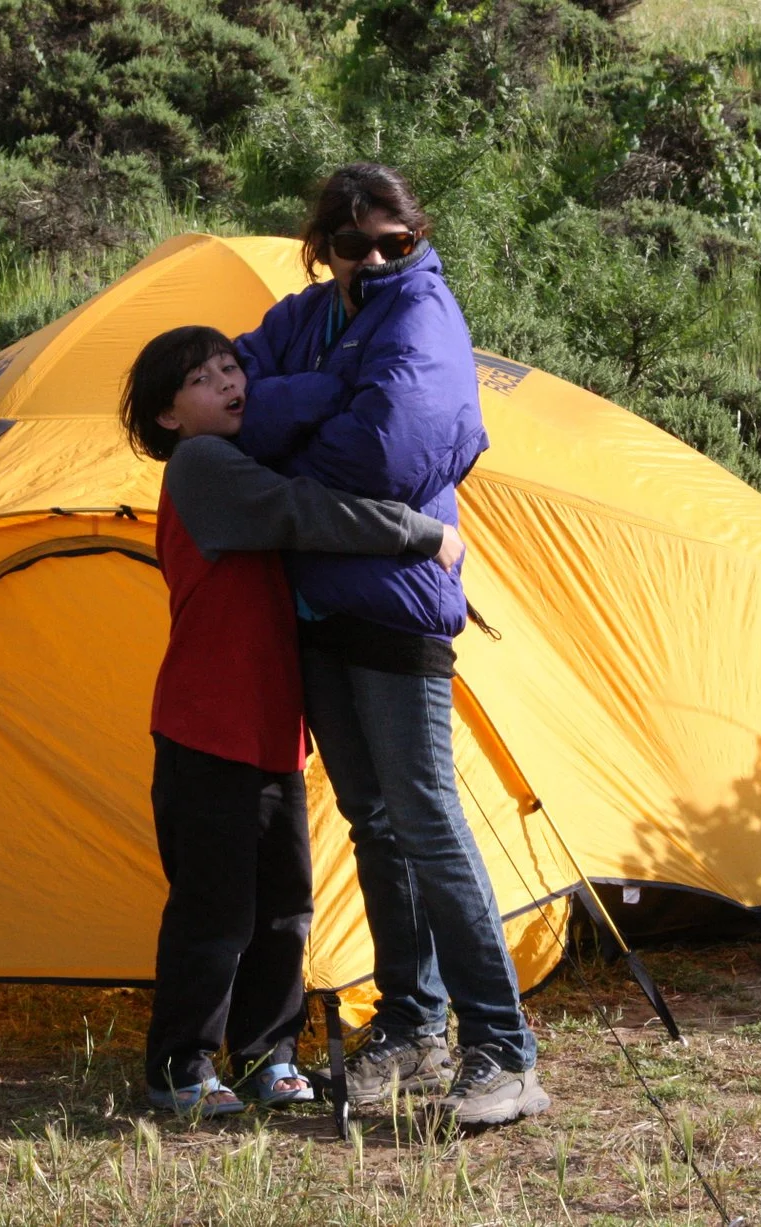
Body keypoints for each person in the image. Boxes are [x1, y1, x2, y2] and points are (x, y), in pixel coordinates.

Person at [232, 164, 549, 1126]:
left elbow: (393, 452)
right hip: (321, 607)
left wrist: (294, 432)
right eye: (351, 244)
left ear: (416, 238)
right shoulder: (304, 318)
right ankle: (413, 1027)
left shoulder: (425, 313)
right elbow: (225, 398)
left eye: (392, 242)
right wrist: (333, 393)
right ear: (320, 246)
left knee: (428, 821)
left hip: (398, 604)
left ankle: (504, 1049)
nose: (372, 259)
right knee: (374, 822)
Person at [121, 325, 465, 1119]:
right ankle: (179, 1068)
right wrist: (421, 534)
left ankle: (268, 1055)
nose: (228, 381)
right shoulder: (203, 467)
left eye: (230, 366)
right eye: (202, 380)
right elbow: (302, 512)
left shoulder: (244, 454)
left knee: (284, 906)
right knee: (216, 910)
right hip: (206, 726)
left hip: (272, 730)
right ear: (169, 417)